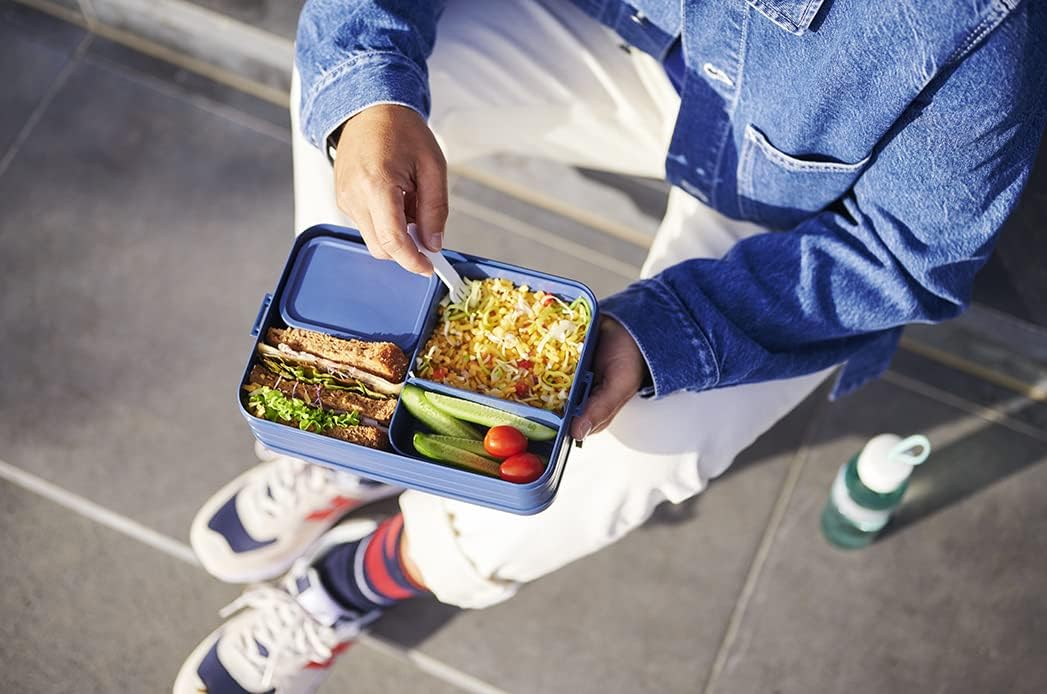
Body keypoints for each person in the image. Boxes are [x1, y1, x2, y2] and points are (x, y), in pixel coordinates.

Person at [174, 1, 1047, 691]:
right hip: (616, 41)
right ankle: (370, 427)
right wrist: (368, 97)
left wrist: (662, 331)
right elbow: (359, 68)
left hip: (789, 206)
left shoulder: (986, 20)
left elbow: (904, 254)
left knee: (640, 445)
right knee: (335, 98)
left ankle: (370, 573)